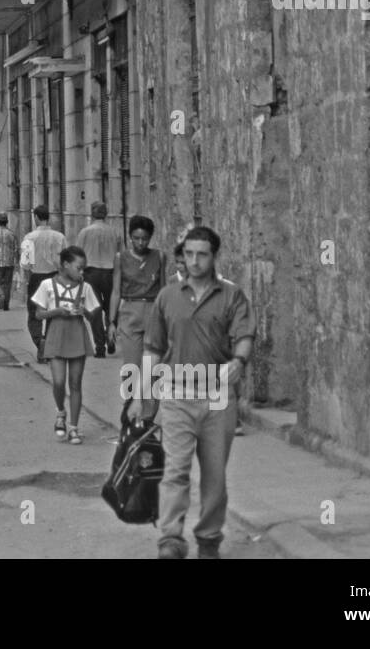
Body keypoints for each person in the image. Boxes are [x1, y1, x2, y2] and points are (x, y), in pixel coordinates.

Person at [135, 225, 253, 559]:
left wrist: (239, 360)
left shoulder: (231, 295)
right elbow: (153, 349)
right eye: (189, 254)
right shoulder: (167, 297)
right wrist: (140, 397)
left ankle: (208, 539)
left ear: (214, 256)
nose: (194, 261)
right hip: (176, 393)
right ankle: (170, 539)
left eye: (202, 254)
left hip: (217, 396)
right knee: (175, 469)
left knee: (214, 475)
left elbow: (244, 334)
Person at [32, 246, 101, 444]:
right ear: (65, 265)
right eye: (79, 268)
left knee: (76, 383)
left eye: (83, 269)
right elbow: (38, 314)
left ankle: (74, 427)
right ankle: (60, 412)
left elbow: (93, 313)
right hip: (56, 335)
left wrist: (84, 312)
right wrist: (57, 311)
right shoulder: (47, 285)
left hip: (77, 336)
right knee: (59, 381)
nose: (81, 272)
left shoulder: (85, 288)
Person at [110, 215, 168, 398]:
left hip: (154, 312)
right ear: (130, 237)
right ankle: (130, 409)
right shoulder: (121, 258)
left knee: (154, 366)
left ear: (150, 238)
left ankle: (148, 415)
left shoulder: (159, 256)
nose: (140, 242)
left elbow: (164, 290)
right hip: (129, 312)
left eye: (145, 238)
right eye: (136, 238)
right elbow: (116, 291)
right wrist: (111, 321)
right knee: (131, 365)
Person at [20, 205, 67, 363]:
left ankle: (40, 342)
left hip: (37, 278)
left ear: (37, 218)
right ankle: (47, 343)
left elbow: (25, 265)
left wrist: (27, 281)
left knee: (34, 315)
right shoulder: (59, 237)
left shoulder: (29, 238)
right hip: (54, 277)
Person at [76, 202, 121, 357]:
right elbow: (119, 255)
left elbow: (78, 256)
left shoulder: (85, 232)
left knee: (95, 310)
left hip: (91, 273)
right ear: (106, 214)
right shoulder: (114, 232)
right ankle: (111, 337)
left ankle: (100, 347)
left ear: (91, 214)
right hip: (110, 273)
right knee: (111, 309)